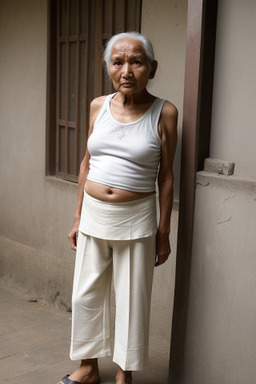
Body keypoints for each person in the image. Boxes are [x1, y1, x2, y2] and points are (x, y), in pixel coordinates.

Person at [59, 31, 177, 384]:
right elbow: (86, 163)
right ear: (109, 67)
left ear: (152, 68)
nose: (127, 70)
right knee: (85, 296)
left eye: (136, 62)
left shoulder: (164, 112)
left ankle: (125, 374)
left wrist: (163, 232)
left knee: (131, 300)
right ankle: (88, 367)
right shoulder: (97, 105)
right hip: (94, 214)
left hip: (137, 218)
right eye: (118, 62)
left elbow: (167, 178)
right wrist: (78, 216)